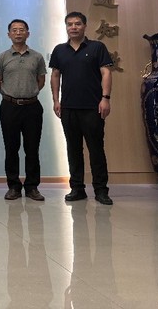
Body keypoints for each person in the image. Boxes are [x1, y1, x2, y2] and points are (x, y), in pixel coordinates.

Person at [50, 11, 114, 205]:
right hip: (68, 108)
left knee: (96, 149)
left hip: (93, 108)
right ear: (66, 27)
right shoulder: (59, 50)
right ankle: (77, 189)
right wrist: (56, 100)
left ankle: (101, 190)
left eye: (77, 24)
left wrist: (105, 98)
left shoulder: (97, 47)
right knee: (73, 150)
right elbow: (55, 75)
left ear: (85, 26)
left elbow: (106, 73)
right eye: (70, 24)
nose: (73, 27)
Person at [0, 19, 47, 202]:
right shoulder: (2, 57)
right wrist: (11, 95)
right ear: (9, 34)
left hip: (32, 107)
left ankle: (32, 187)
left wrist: (28, 93)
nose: (18, 33)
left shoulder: (37, 57)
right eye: (14, 30)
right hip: (9, 107)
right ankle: (14, 187)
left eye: (21, 30)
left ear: (27, 33)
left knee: (32, 149)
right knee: (11, 148)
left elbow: (41, 81)